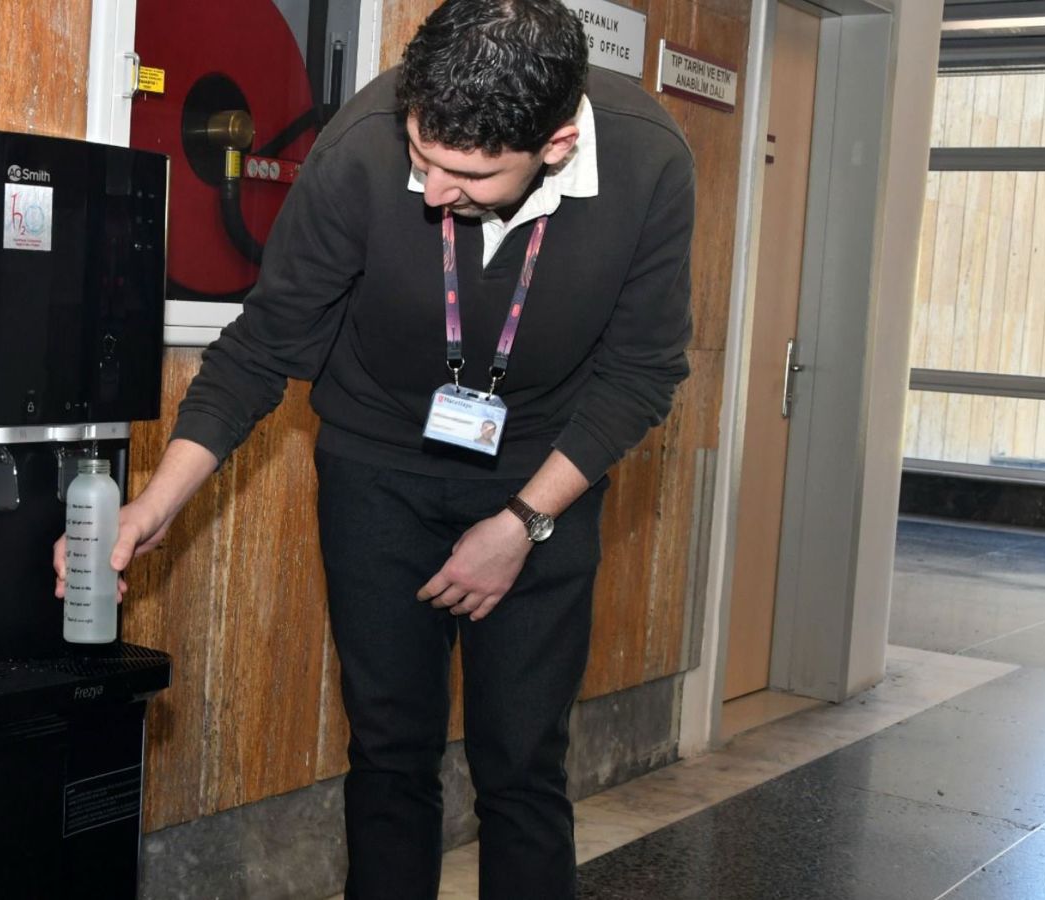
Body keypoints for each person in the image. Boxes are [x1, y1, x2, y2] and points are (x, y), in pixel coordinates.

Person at [55, 1, 694, 895]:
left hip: (545, 473)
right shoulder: (361, 144)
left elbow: (641, 372)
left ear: (556, 145)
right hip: (378, 467)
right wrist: (154, 506)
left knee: (523, 763)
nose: (432, 193)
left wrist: (521, 523)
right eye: (422, 156)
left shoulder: (647, 160)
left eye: (467, 175)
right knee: (390, 753)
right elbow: (263, 346)